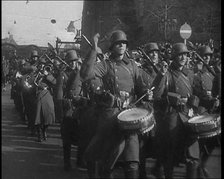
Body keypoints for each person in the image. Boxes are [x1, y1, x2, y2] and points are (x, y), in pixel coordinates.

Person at [80, 30, 153, 179]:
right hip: (111, 117)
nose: (121, 45)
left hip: (130, 117)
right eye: (118, 43)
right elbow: (85, 75)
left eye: (124, 43)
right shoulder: (106, 65)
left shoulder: (133, 66)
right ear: (112, 46)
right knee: (109, 162)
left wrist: (147, 93)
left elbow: (140, 87)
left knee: (132, 161)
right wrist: (94, 48)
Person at [152, 43, 201, 179]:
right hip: (172, 115)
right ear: (174, 56)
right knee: (170, 153)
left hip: (188, 115)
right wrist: (172, 99)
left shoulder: (190, 74)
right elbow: (156, 96)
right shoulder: (167, 73)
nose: (183, 57)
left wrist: (194, 101)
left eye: (185, 55)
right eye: (180, 55)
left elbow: (197, 93)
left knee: (193, 154)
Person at [193, 45, 220, 178]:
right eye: (204, 56)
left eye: (209, 56)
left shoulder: (213, 72)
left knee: (212, 142)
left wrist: (216, 98)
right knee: (200, 142)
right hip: (201, 109)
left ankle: (202, 164)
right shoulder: (195, 73)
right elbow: (195, 92)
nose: (207, 58)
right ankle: (197, 168)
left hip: (213, 109)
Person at [57, 50, 82, 171]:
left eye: (75, 61)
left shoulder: (81, 73)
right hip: (68, 107)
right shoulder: (63, 74)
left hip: (80, 106)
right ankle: (67, 162)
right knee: (66, 138)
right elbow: (59, 94)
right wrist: (61, 109)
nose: (73, 63)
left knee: (82, 135)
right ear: (67, 62)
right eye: (71, 61)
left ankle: (80, 160)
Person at [34, 58, 56, 142]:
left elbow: (55, 82)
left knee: (49, 114)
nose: (43, 67)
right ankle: (40, 134)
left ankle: (44, 130)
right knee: (39, 115)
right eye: (42, 65)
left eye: (44, 66)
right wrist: (39, 76)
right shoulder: (37, 73)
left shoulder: (49, 75)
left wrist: (47, 75)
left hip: (48, 96)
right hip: (39, 95)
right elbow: (33, 83)